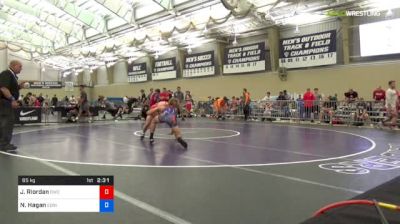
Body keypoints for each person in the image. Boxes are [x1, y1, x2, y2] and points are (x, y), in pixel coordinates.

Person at [0, 60, 24, 151]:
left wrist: (19, 87)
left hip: (5, 102)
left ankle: (3, 143)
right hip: (5, 102)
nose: (21, 68)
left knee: (4, 122)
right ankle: (4, 144)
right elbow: (3, 88)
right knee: (7, 123)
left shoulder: (12, 75)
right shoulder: (6, 73)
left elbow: (9, 88)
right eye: (20, 66)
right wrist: (12, 99)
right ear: (13, 66)